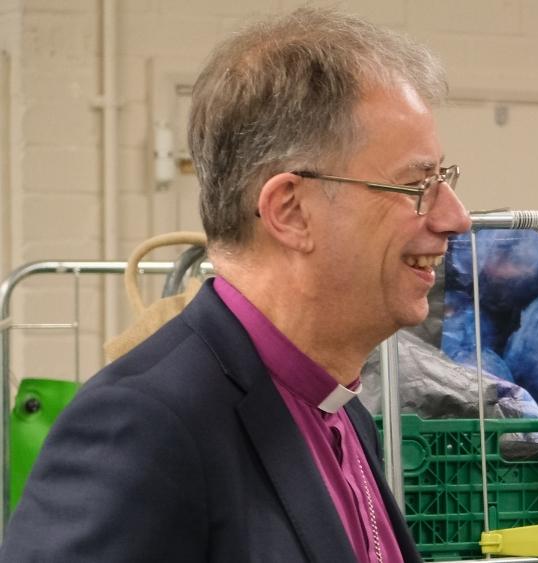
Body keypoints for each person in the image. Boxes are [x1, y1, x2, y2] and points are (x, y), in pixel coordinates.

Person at [0, 7, 470, 562]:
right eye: (416, 185)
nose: (455, 217)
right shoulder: (143, 428)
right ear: (290, 211)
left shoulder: (340, 409)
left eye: (443, 179)